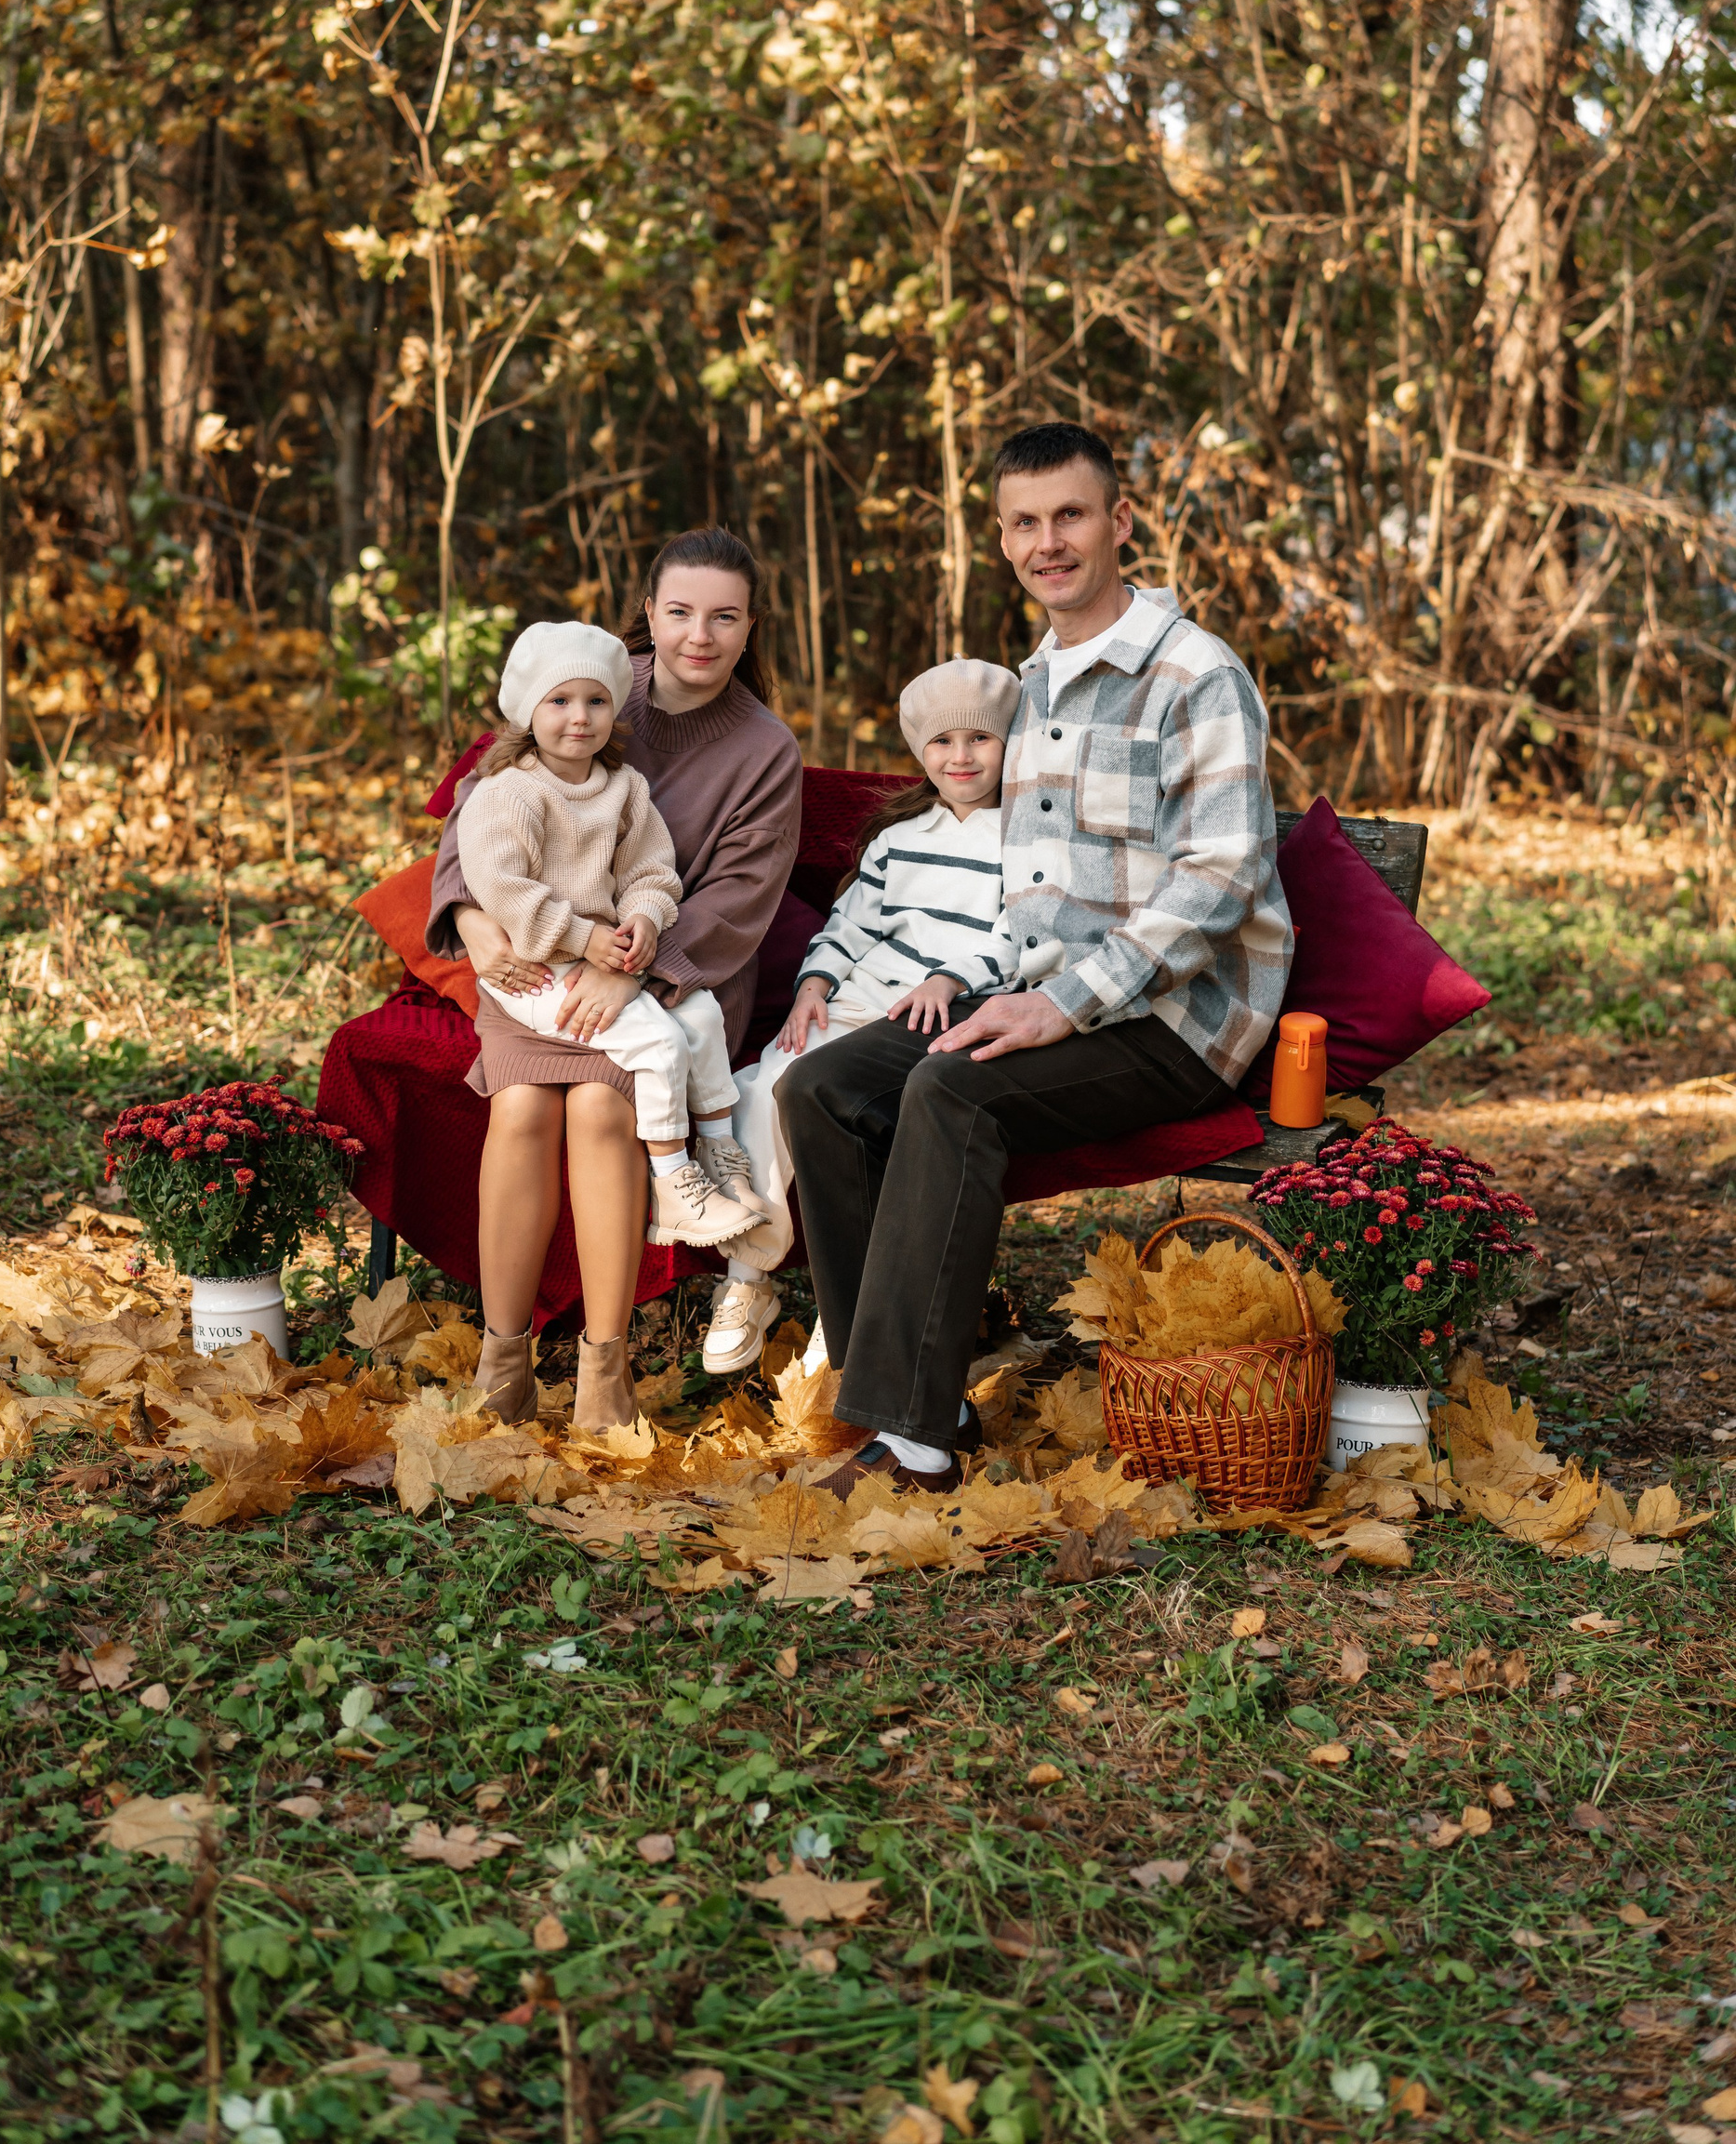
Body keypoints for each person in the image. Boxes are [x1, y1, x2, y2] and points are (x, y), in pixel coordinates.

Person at [779, 419, 1294, 1498]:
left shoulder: (1194, 674)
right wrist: (977, 982)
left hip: (1178, 1019)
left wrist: (1062, 1002)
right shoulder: (1034, 685)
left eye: (1069, 514)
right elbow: (1029, 887)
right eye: (1024, 522)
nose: (1047, 541)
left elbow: (1224, 872)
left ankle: (915, 1444)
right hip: (1042, 995)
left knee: (950, 1090)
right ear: (1004, 538)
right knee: (822, 1086)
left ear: (1121, 520)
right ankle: (919, 1392)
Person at [429, 529, 802, 1431]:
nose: (699, 635)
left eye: (724, 617)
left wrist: (635, 973)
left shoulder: (764, 748)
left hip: (676, 979)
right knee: (522, 1107)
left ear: (751, 627)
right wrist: (471, 920)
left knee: (599, 1108)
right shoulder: (592, 680)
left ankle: (605, 1368)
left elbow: (737, 899)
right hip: (535, 963)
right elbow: (480, 806)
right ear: (650, 613)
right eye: (680, 612)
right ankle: (503, 1361)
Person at [707, 657, 1023, 1375]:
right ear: (921, 751)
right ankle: (748, 1278)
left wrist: (950, 977)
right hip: (857, 996)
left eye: (980, 738)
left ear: (1010, 744)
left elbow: (1023, 935)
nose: (962, 756)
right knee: (764, 1087)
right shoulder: (900, 836)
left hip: (943, 1008)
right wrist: (814, 984)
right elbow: (849, 925)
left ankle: (849, 1305)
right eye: (943, 741)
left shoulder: (1027, 839)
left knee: (849, 1108)